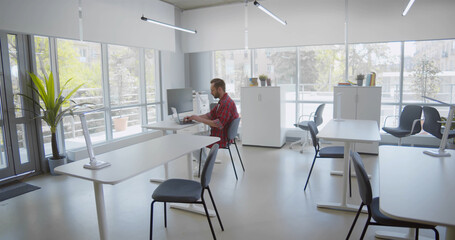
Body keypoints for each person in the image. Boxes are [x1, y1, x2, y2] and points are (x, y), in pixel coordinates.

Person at [185, 78, 239, 148]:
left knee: (193, 140)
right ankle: (204, 159)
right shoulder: (222, 101)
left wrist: (200, 119)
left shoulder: (226, 103)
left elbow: (219, 124)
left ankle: (205, 159)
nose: (211, 92)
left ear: (219, 89)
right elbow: (210, 115)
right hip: (217, 135)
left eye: (212, 90)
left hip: (221, 139)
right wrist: (194, 117)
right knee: (194, 137)